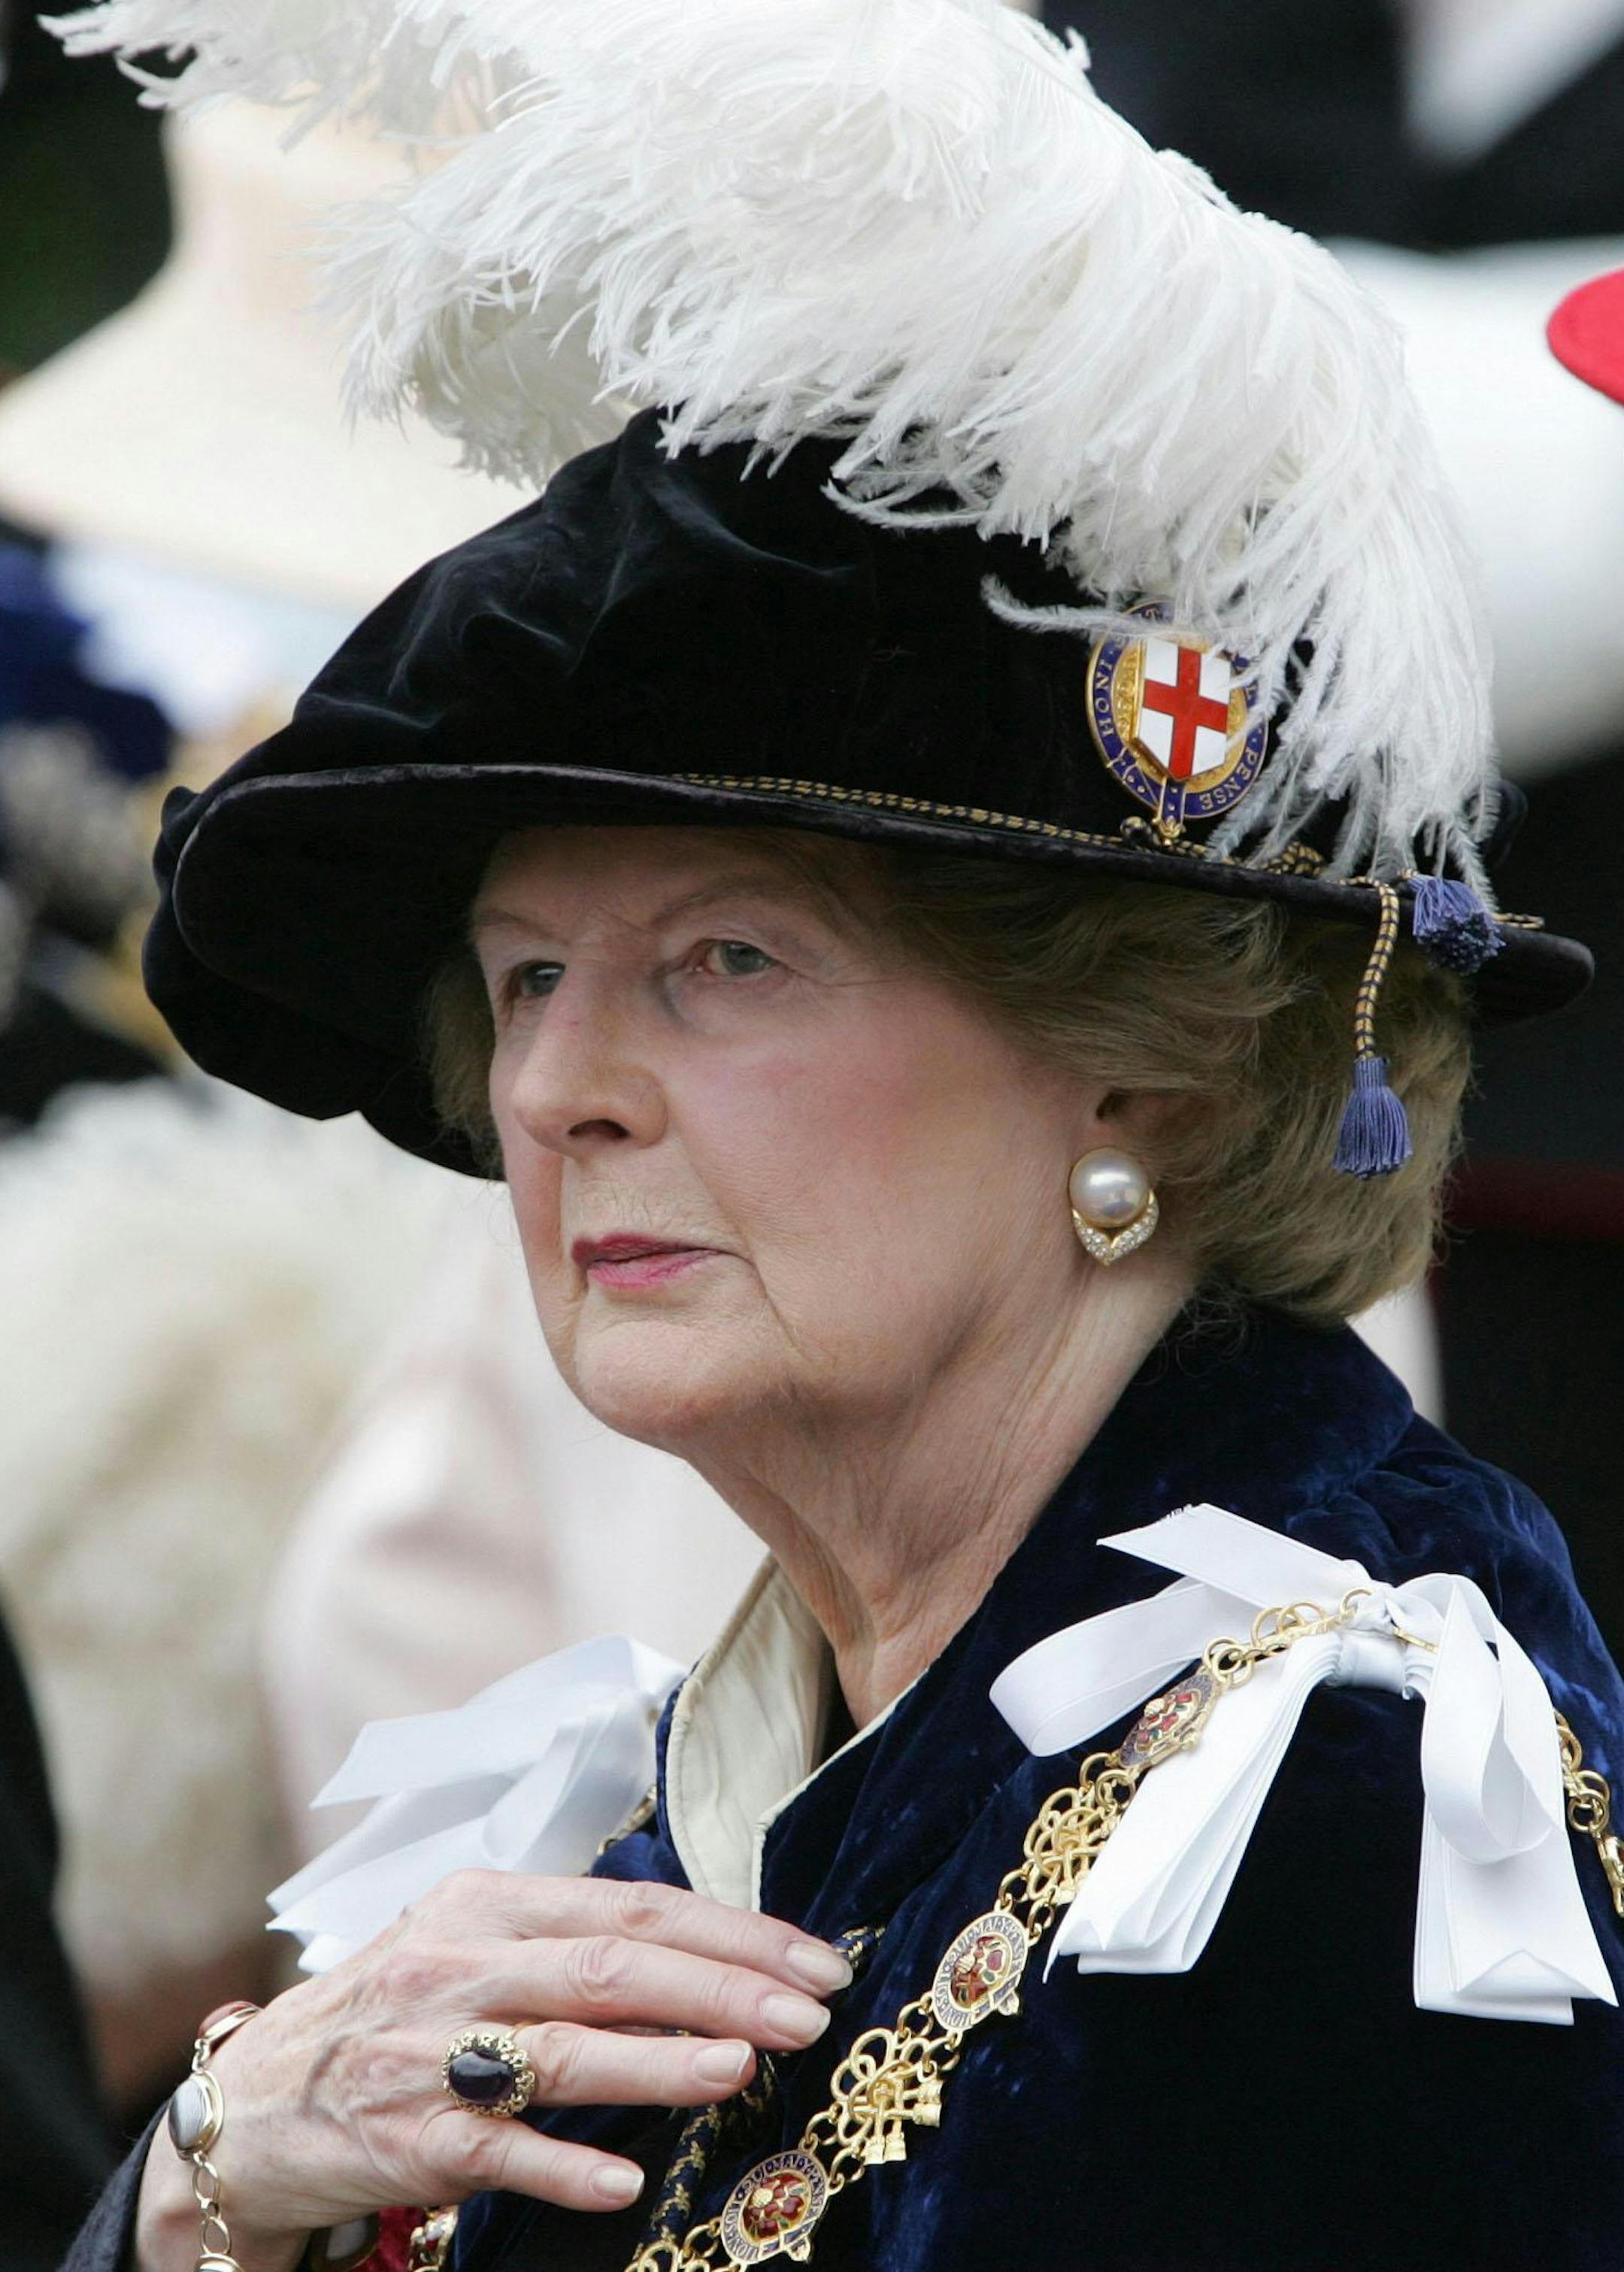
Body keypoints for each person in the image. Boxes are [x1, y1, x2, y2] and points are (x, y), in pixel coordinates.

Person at [49, 0, 1624, 2267]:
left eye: (729, 962)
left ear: (1138, 1064)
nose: (557, 1087)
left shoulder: (1341, 1811)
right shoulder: (701, 1775)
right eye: (524, 976)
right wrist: (220, 2181)